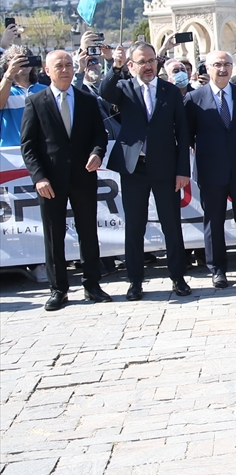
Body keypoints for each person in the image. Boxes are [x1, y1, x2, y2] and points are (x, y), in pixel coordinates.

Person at [19, 50, 110, 311]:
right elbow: (28, 145)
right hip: (51, 181)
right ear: (47, 70)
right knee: (54, 235)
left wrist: (97, 153)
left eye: (69, 65)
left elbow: (99, 134)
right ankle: (58, 289)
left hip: (83, 176)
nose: (65, 69)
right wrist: (39, 177)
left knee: (88, 232)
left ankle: (92, 284)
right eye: (59, 66)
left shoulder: (86, 99)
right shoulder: (36, 102)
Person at [102, 42, 192, 300]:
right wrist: (115, 66)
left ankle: (178, 278)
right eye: (142, 62)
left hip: (165, 167)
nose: (148, 66)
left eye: (152, 60)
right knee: (134, 227)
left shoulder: (170, 91)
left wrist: (183, 170)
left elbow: (182, 131)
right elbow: (105, 91)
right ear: (132, 65)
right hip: (134, 168)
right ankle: (135, 282)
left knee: (171, 225)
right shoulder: (124, 88)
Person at [184, 51, 236, 288]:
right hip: (211, 170)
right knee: (214, 221)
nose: (223, 69)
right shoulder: (194, 98)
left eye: (227, 64)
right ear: (207, 68)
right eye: (217, 64)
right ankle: (217, 270)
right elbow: (189, 133)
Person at [0, 44, 46, 146]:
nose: (24, 62)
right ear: (7, 65)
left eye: (27, 58)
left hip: (39, 149)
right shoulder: (5, 90)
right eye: (18, 59)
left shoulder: (44, 90)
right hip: (11, 151)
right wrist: (9, 74)